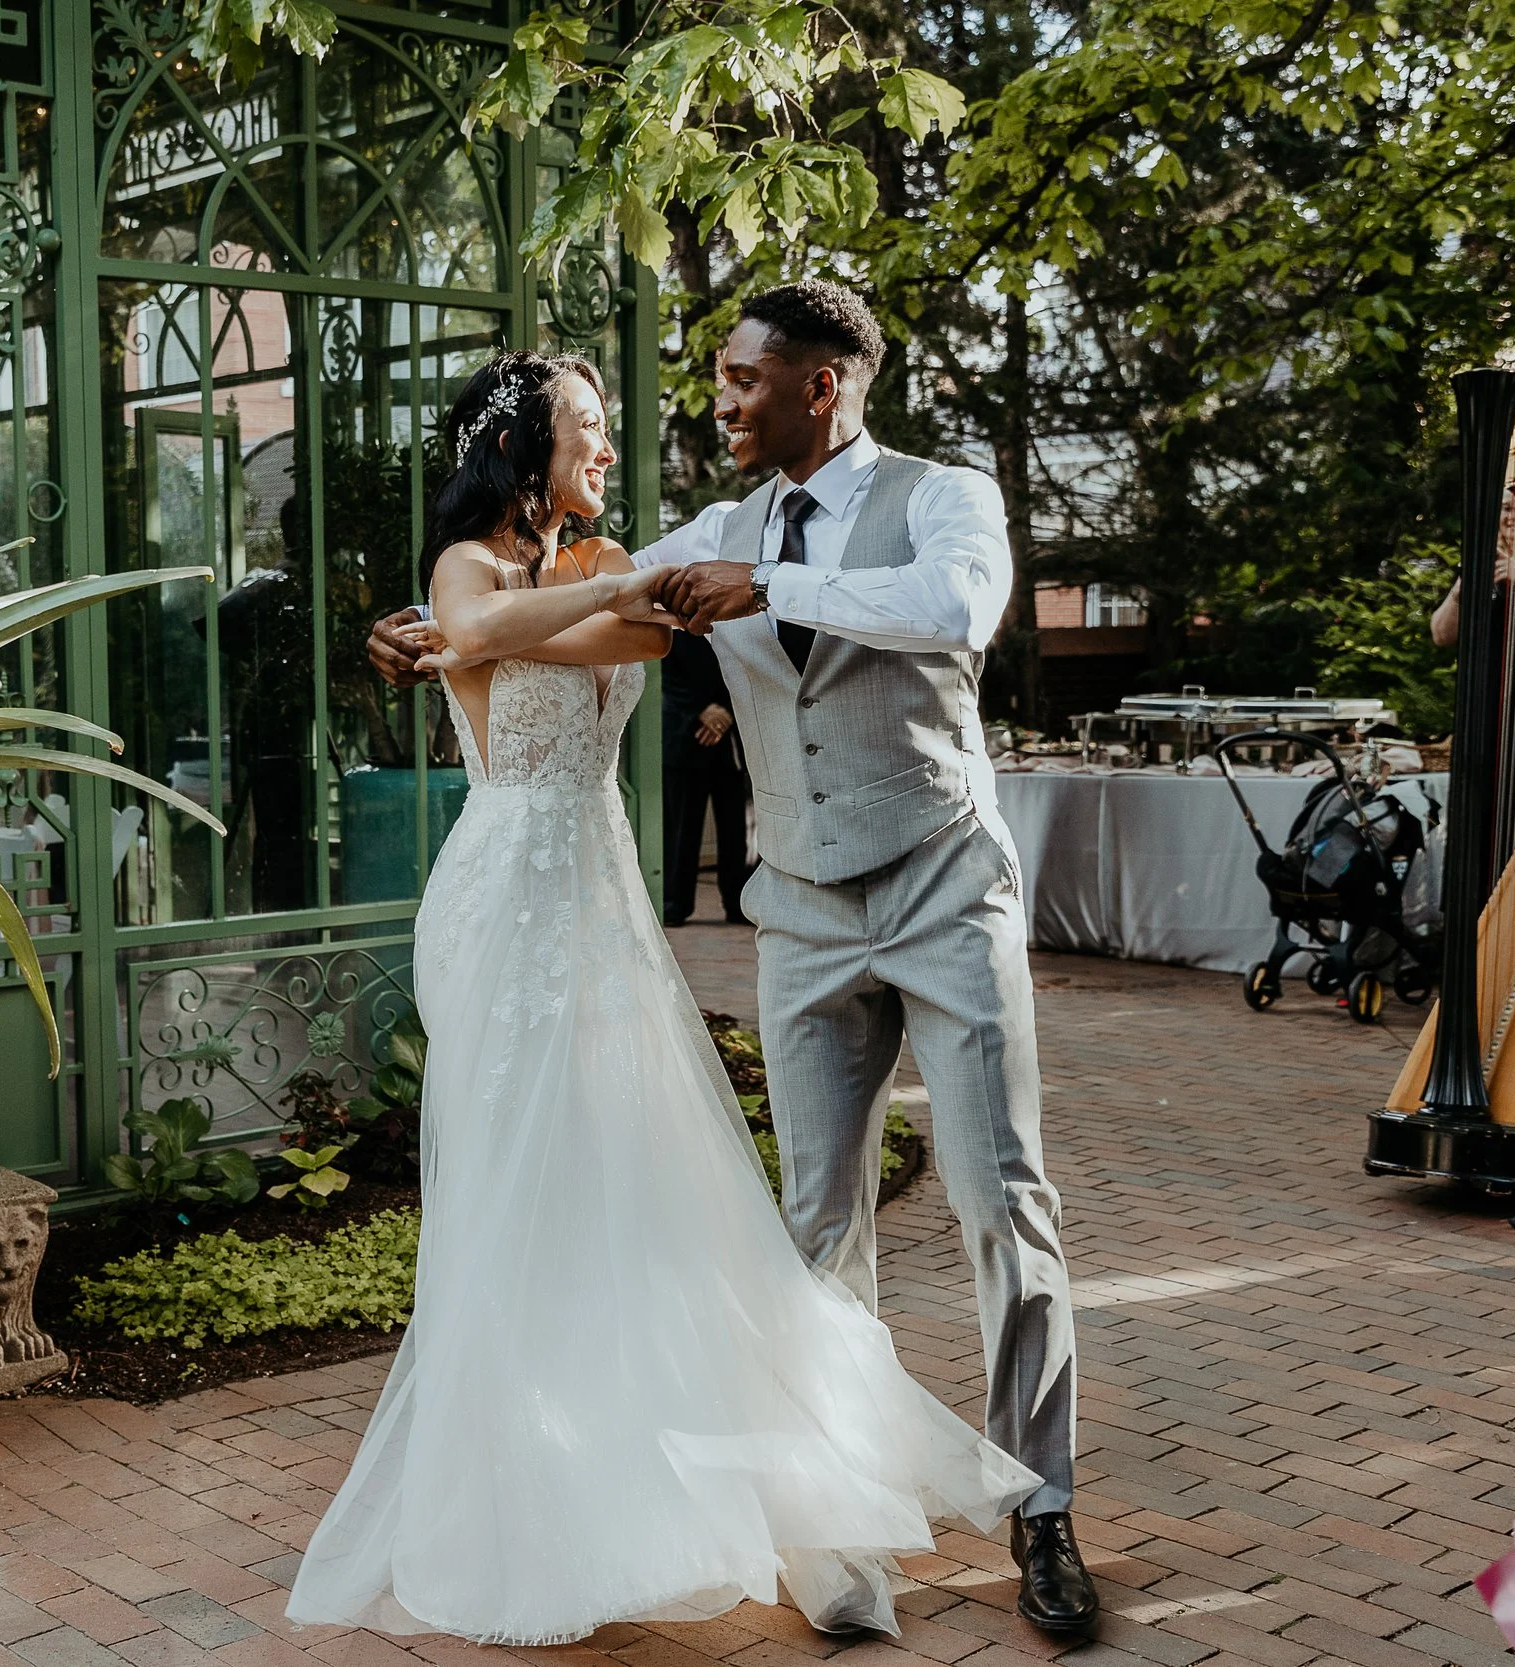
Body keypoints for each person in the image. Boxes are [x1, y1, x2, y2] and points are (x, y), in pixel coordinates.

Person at [375, 282, 1096, 1635]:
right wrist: (436, 628)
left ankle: (1040, 1505)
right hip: (804, 910)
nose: (718, 399)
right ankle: (834, 1526)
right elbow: (608, 594)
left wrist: (772, 583)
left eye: (739, 376)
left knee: (1004, 1197)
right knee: (815, 1222)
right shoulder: (718, 528)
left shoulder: (946, 498)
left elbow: (956, 607)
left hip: (946, 887)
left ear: (821, 383)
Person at [661, 631, 752, 926]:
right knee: (681, 827)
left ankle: (737, 903)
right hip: (684, 735)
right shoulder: (670, 623)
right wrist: (701, 711)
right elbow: (661, 671)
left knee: (733, 828)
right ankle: (674, 903)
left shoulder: (734, 626)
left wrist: (726, 713)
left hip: (729, 742)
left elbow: (745, 670)